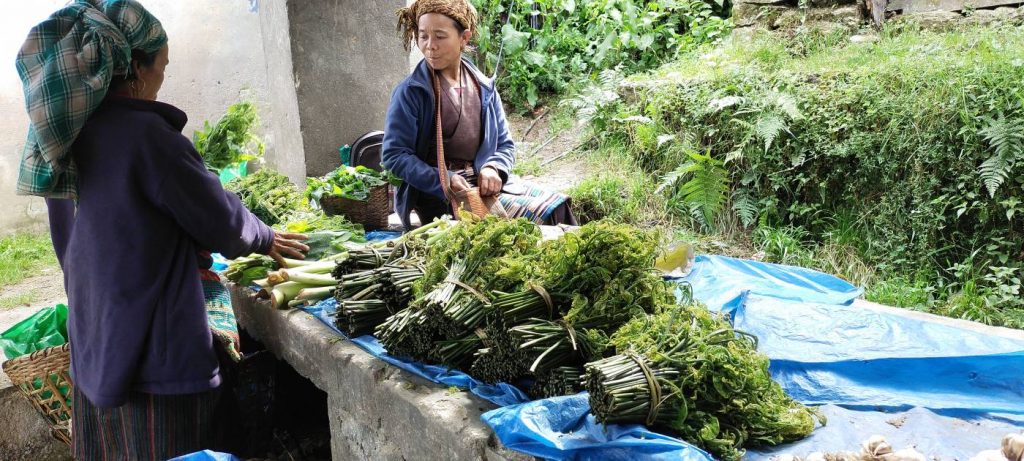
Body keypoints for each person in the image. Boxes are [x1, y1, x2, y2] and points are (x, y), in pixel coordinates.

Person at [15, 1, 308, 459]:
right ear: (134, 68)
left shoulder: (67, 142)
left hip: (97, 335)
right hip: (156, 352)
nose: (161, 80)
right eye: (162, 67)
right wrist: (266, 236)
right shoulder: (149, 138)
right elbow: (225, 225)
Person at [383, 0, 578, 229]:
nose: (430, 46)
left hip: (484, 183)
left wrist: (492, 168)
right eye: (423, 36)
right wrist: (444, 179)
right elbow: (394, 155)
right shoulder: (411, 92)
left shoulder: (483, 86)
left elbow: (505, 144)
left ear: (464, 37)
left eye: (440, 36)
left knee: (558, 205)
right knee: (544, 217)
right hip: (441, 196)